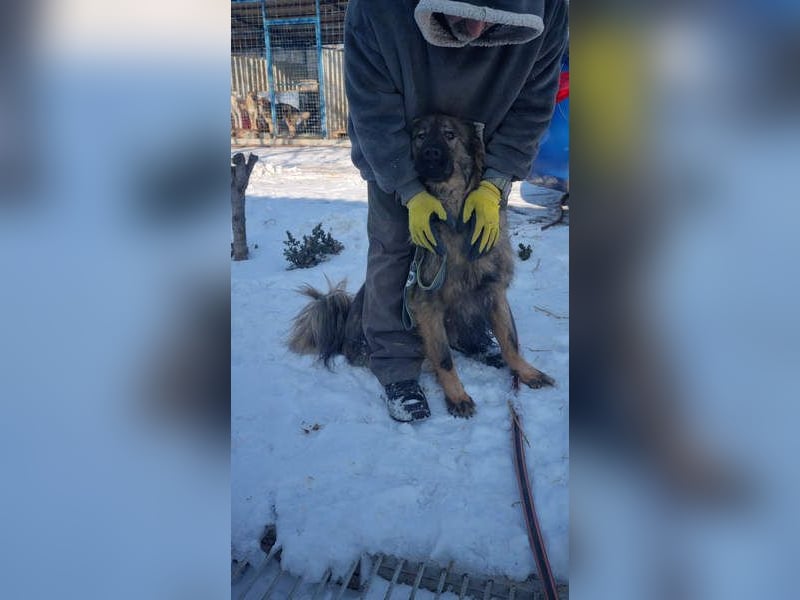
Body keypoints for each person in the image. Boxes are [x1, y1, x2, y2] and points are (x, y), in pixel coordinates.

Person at [344, 0, 569, 422]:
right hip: (396, 143)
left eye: (496, 20)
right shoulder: (376, 10)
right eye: (468, 15)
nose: (481, 27)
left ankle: (469, 332)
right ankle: (394, 364)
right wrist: (408, 190)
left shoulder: (549, 7)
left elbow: (534, 101)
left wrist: (497, 179)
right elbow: (372, 108)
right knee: (394, 247)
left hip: (477, 156)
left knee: (483, 254)